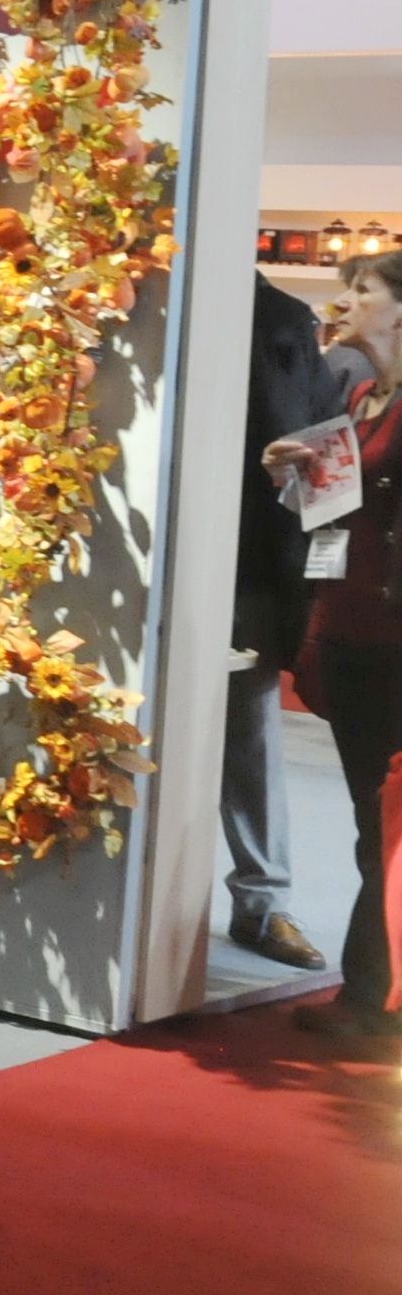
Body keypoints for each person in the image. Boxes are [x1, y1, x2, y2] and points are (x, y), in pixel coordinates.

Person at [292, 251, 402, 1040]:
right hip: (346, 632)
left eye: (363, 291)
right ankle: (371, 990)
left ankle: (369, 996)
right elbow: (328, 512)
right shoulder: (361, 398)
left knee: (385, 821)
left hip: (392, 640)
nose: (346, 303)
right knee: (372, 820)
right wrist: (293, 472)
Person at [228, 273, 349, 971]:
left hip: (247, 561)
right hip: (129, 554)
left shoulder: (280, 321)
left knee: (247, 730)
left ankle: (263, 900)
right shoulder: (121, 294)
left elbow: (323, 458)